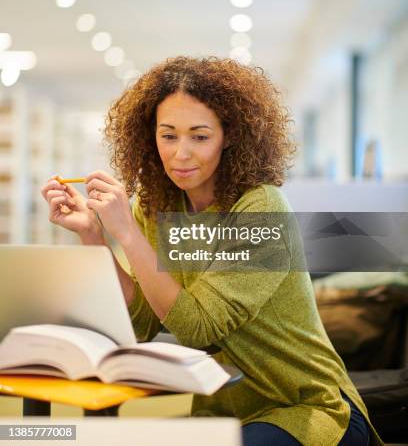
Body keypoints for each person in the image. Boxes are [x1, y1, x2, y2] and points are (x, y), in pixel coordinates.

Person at [41, 56, 383, 446]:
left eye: (199, 136)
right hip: (223, 411)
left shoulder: (260, 206)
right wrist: (95, 238)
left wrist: (128, 234)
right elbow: (140, 324)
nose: (181, 154)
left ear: (230, 137)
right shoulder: (157, 205)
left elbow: (198, 328)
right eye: (168, 135)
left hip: (305, 407)